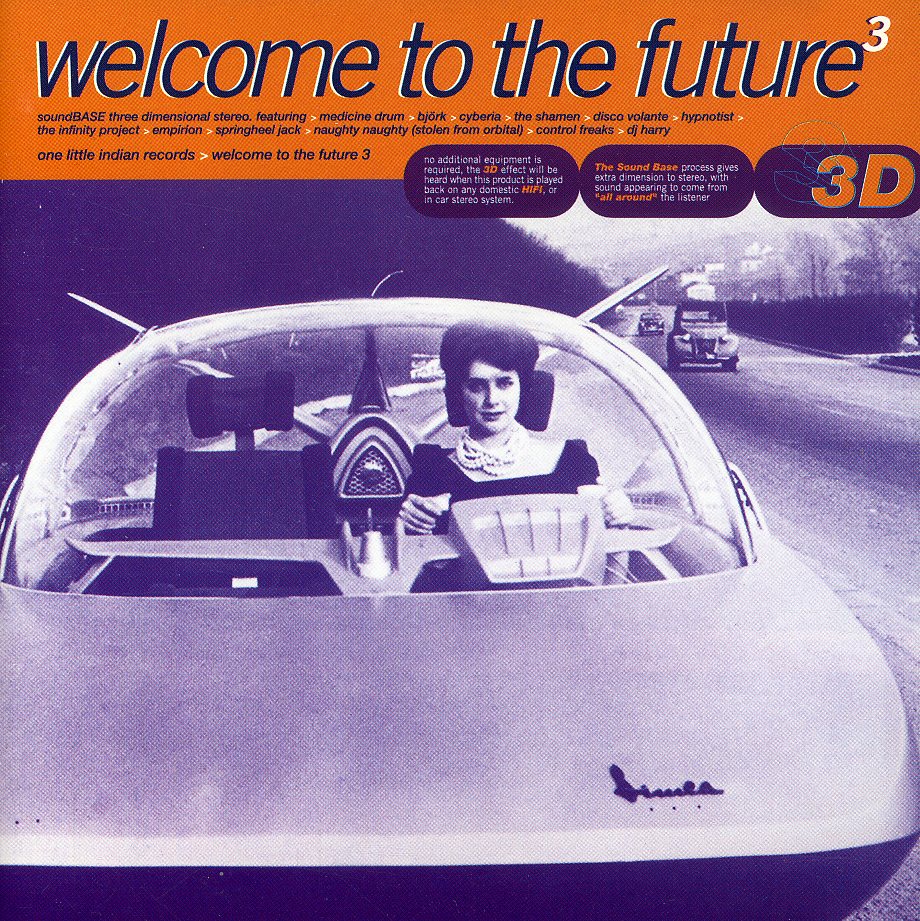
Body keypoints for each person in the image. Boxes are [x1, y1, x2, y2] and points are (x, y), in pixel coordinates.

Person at [399, 322, 633, 534]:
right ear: (458, 393)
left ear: (524, 386)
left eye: (504, 383)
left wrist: (618, 521)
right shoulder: (432, 473)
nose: (492, 399)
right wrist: (407, 525)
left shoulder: (573, 461)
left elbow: (605, 558)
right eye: (476, 386)